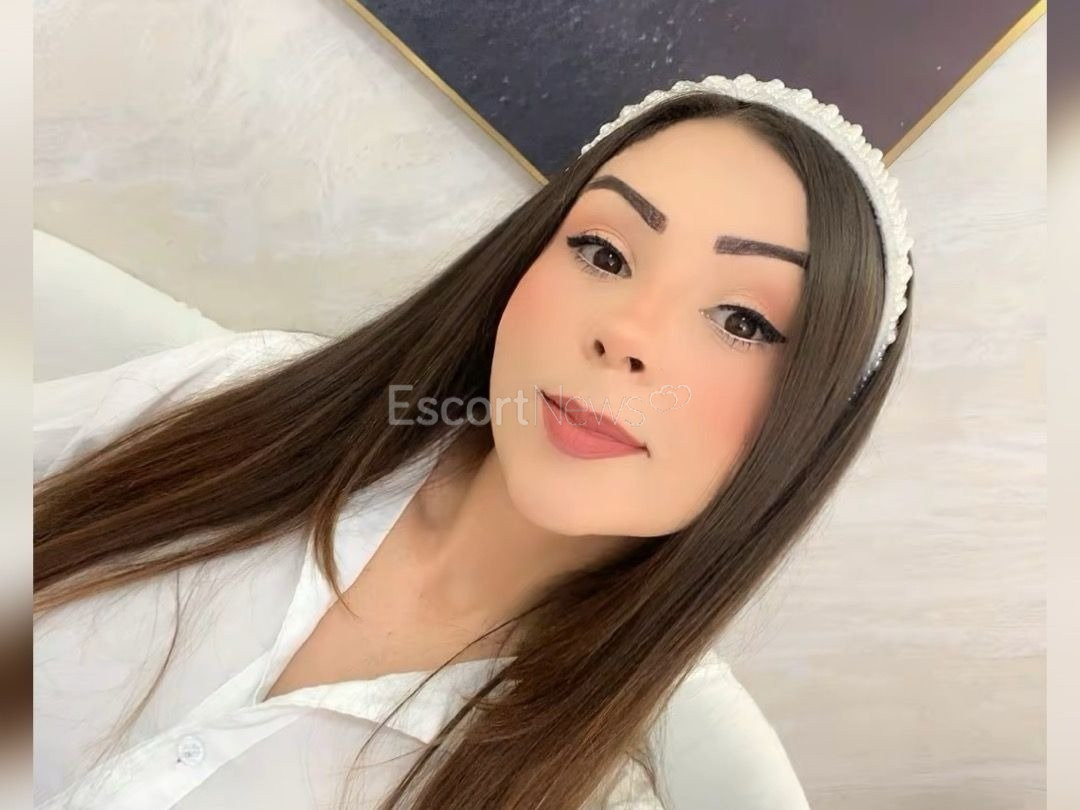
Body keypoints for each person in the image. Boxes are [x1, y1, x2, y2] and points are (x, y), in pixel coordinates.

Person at [33, 74, 914, 809]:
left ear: (807, 426)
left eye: (743, 320)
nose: (627, 333)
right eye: (604, 253)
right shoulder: (243, 405)